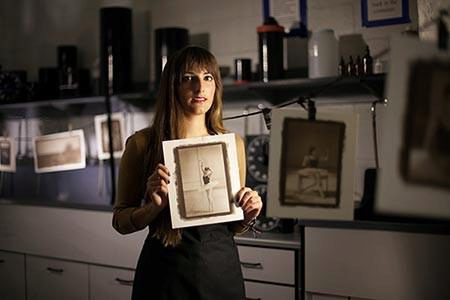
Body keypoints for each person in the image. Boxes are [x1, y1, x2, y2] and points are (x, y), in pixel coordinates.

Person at [112, 46, 263, 300]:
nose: (200, 87)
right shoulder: (142, 144)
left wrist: (248, 214)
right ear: (172, 86)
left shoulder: (232, 143)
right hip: (165, 276)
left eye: (208, 77)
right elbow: (120, 221)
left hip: (221, 272)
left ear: (216, 86)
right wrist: (153, 208)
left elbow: (234, 225)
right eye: (188, 78)